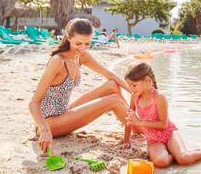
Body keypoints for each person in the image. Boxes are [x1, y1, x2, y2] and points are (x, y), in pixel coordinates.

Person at [29, 18, 131, 153]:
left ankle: (134, 121)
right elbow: (33, 103)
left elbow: (111, 75)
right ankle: (141, 128)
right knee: (114, 100)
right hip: (49, 123)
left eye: (87, 43)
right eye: (78, 43)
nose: (82, 48)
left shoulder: (81, 56)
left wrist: (134, 92)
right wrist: (44, 129)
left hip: (64, 111)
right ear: (68, 38)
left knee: (112, 85)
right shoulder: (58, 61)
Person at [122, 62, 201, 167]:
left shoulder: (159, 97)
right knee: (161, 162)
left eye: (134, 85)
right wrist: (126, 140)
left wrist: (140, 122)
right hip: (153, 139)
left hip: (168, 134)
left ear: (147, 80)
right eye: (129, 85)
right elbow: (129, 118)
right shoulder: (135, 97)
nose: (131, 88)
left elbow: (163, 124)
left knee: (183, 159)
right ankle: (172, 154)